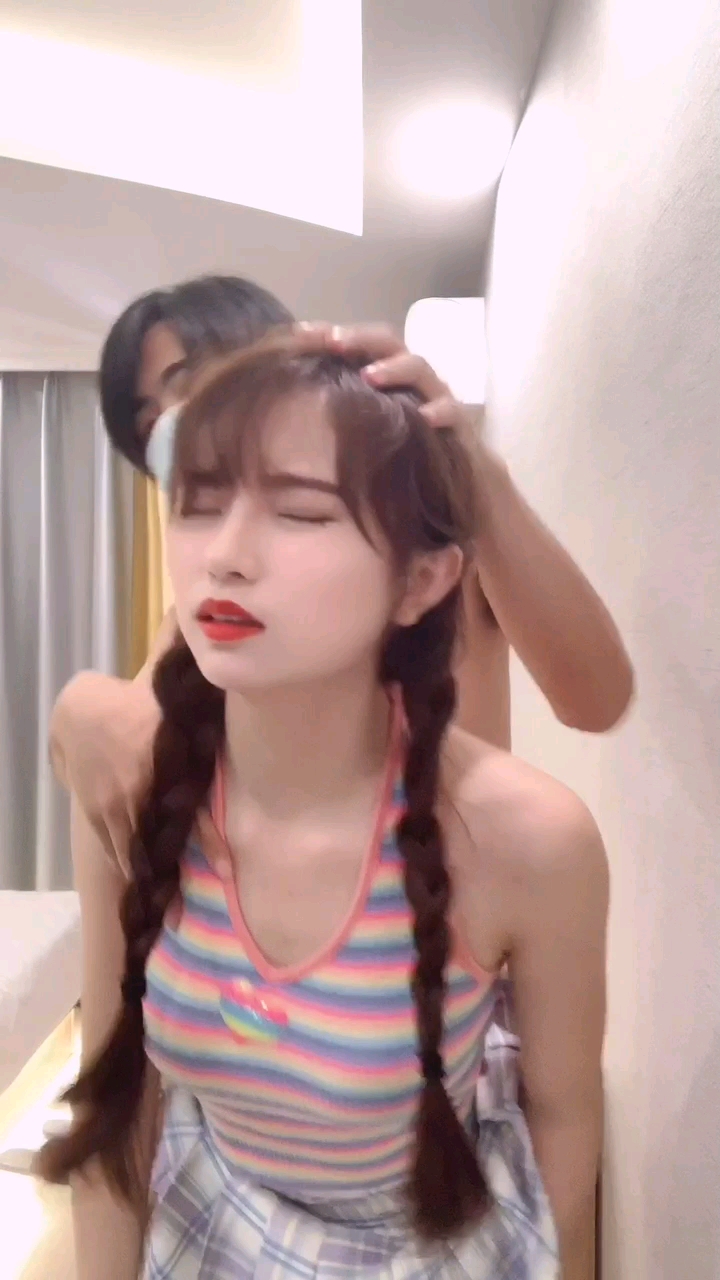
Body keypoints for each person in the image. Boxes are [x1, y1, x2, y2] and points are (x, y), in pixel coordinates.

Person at [38, 331, 608, 1280]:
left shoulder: (525, 842)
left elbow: (565, 1122)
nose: (225, 557)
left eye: (300, 512)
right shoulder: (133, 791)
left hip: (434, 1233)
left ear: (422, 580)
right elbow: (117, 1113)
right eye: (198, 503)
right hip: (210, 1214)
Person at [48, 276, 634, 865]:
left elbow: (596, 700)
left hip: (459, 897)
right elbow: (135, 714)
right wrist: (82, 708)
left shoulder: (428, 549)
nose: (173, 424)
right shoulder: (221, 603)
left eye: (190, 382)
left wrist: (469, 465)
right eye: (147, 423)